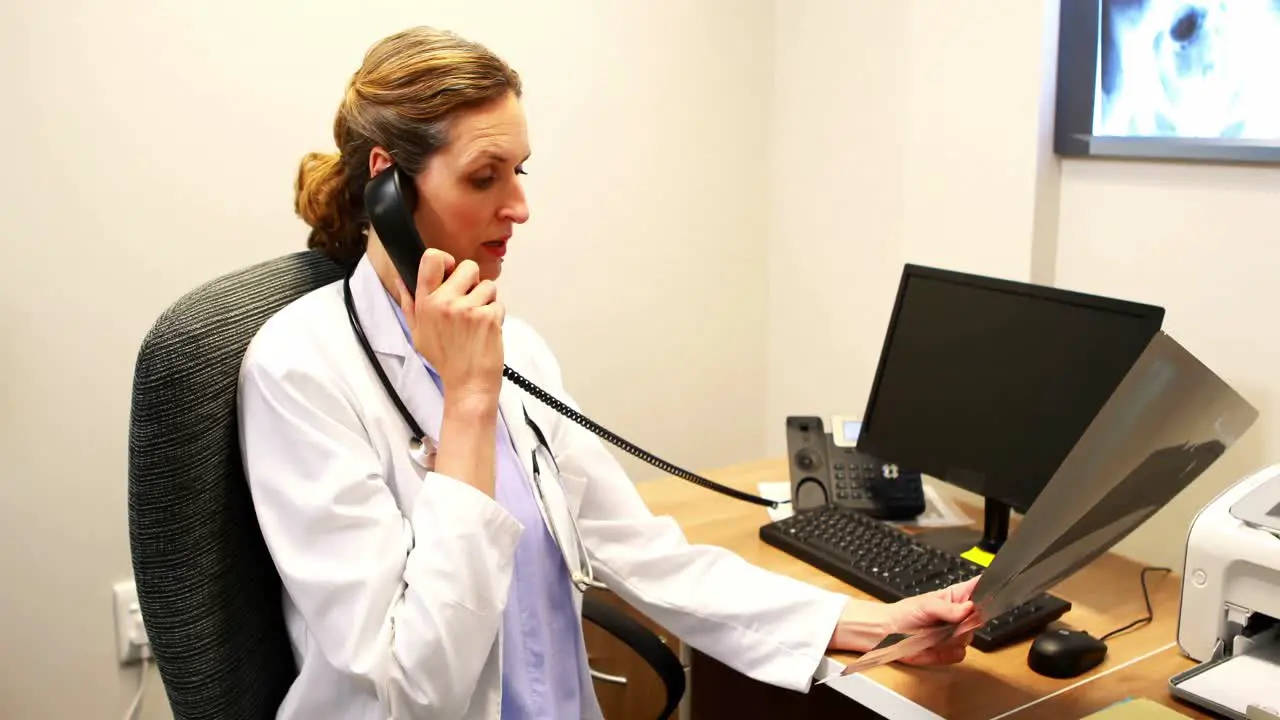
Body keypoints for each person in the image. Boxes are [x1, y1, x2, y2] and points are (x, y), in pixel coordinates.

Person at [237, 25, 980, 720]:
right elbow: (411, 687)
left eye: (519, 172)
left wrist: (863, 623)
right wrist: (466, 405)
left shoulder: (516, 350)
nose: (520, 207)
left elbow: (639, 552)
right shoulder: (301, 371)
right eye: (484, 177)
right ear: (387, 185)